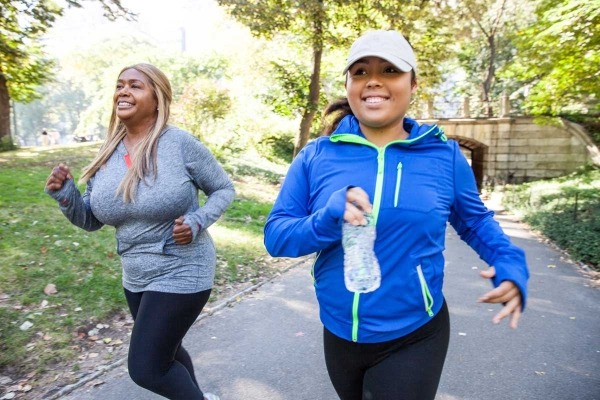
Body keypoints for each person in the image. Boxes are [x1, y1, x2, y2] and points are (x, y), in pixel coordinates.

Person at [264, 30, 529, 400]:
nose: (373, 80)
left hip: (414, 333)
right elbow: (277, 237)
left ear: (413, 83)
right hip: (339, 331)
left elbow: (475, 222)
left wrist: (510, 262)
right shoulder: (316, 156)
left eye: (390, 70)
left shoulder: (445, 156)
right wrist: (326, 219)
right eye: (360, 72)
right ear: (349, 84)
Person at [45, 63, 234, 400]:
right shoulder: (107, 154)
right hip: (136, 276)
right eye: (120, 85)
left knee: (147, 367)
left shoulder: (178, 144)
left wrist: (197, 220)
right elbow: (91, 220)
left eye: (135, 85)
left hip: (183, 268)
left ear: (157, 99)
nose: (124, 91)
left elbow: (223, 189)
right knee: (168, 355)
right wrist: (66, 196)